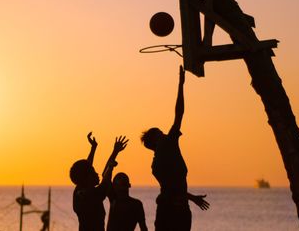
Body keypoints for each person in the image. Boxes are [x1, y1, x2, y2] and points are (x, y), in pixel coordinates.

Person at [141, 66, 210, 231]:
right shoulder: (165, 150)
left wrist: (190, 199)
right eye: (160, 133)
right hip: (171, 210)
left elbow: (172, 189)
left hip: (178, 208)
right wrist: (181, 84)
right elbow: (179, 114)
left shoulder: (161, 157)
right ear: (155, 141)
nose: (164, 133)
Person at [70, 132, 128, 231]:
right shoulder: (93, 194)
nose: (96, 173)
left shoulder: (79, 190)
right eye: (93, 172)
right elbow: (105, 179)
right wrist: (111, 165)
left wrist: (94, 148)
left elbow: (87, 166)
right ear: (87, 178)